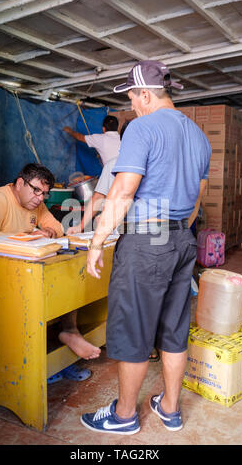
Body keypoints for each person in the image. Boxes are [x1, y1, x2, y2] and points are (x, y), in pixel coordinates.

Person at [80, 60, 211, 435]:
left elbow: (122, 191)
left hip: (145, 241)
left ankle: (123, 416)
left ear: (146, 94)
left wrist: (96, 241)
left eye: (133, 97)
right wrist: (177, 236)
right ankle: (170, 408)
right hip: (182, 241)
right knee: (174, 328)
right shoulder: (199, 136)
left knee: (133, 329)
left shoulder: (143, 127)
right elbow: (198, 198)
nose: (132, 106)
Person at [0, 163, 101, 363]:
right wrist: (29, 235)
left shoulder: (36, 203)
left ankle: (69, 330)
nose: (40, 198)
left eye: (44, 193)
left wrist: (49, 232)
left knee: (68, 269)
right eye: (36, 191)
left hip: (26, 266)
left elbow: (58, 229)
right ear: (19, 183)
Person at [66, 120, 131, 236]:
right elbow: (98, 197)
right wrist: (80, 227)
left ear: (104, 128)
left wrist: (69, 131)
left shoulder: (112, 162)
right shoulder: (113, 165)